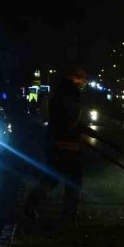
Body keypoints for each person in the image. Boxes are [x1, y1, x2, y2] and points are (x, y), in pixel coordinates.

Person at [24, 67, 93, 226]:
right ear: (76, 77)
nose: (83, 82)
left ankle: (32, 203)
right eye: (82, 78)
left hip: (56, 142)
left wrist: (82, 129)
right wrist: (81, 129)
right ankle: (69, 217)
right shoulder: (71, 93)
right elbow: (69, 120)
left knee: (52, 177)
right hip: (67, 144)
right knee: (73, 181)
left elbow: (63, 118)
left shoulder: (60, 91)